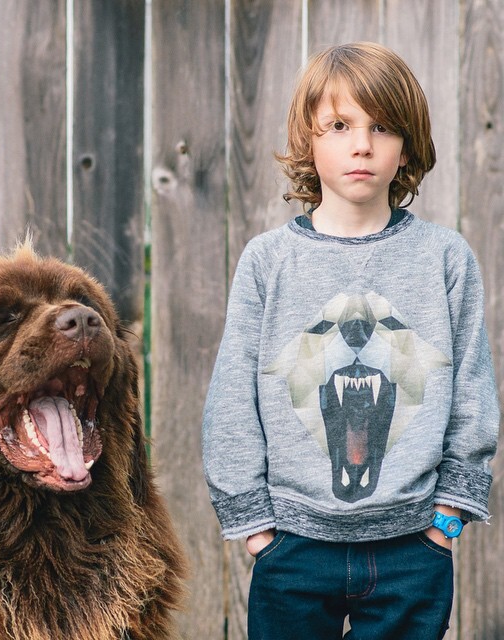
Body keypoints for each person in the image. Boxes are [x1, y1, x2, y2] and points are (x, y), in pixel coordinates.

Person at [202, 42, 500, 640]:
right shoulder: (268, 261)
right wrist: (255, 525)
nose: (361, 144)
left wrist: (448, 516)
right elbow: (234, 392)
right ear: (309, 140)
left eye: (382, 126)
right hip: (292, 546)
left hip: (412, 548)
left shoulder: (444, 260)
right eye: (338, 126)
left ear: (407, 145)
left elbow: (470, 386)